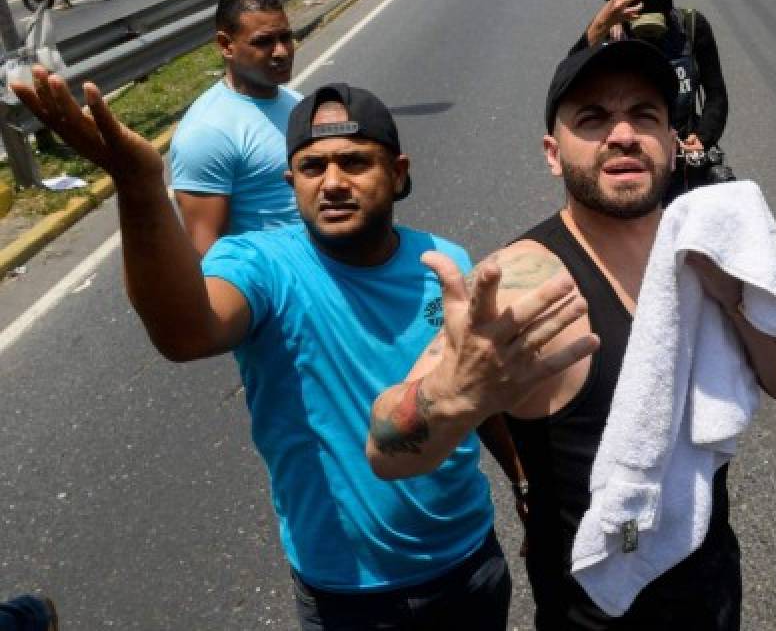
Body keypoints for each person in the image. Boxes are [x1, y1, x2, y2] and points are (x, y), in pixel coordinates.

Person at [9, 72, 558, 630]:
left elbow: (481, 392)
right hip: (347, 594)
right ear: (290, 181)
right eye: (313, 168)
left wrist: (522, 480)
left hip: (468, 560)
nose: (333, 182)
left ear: (397, 175)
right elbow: (185, 333)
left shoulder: (446, 262)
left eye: (355, 162)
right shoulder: (259, 265)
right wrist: (138, 185)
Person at [367, 39, 776, 629]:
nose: (623, 134)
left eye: (645, 115)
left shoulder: (710, 249)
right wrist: (457, 393)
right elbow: (386, 451)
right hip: (595, 615)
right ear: (554, 155)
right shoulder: (524, 282)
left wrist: (738, 294)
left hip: (714, 594)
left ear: (670, 140)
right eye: (593, 118)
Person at [574, 0, 731, 201]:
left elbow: (716, 94)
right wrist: (599, 27)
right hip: (635, 173)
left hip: (686, 169)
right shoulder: (610, 37)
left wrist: (704, 138)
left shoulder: (692, 27)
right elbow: (565, 94)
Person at [169, 0, 301, 255]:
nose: (281, 52)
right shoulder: (205, 133)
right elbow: (209, 252)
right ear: (226, 45)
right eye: (263, 42)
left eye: (285, 37)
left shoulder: (297, 102)